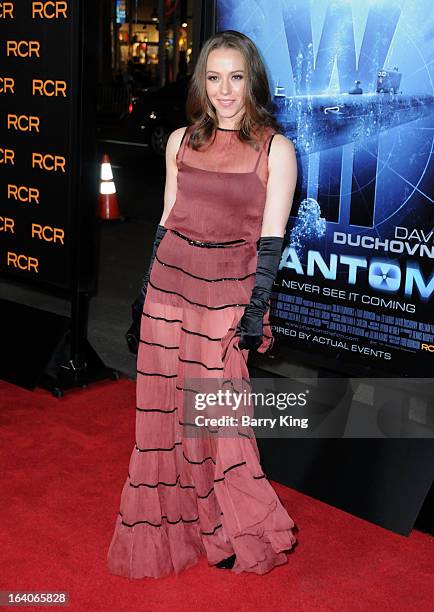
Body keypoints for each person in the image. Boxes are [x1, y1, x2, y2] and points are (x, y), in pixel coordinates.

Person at [108, 30, 298, 579]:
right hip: (170, 290)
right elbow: (168, 219)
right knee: (165, 415)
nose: (225, 90)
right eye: (214, 78)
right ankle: (183, 523)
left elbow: (271, 239)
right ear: (202, 83)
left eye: (236, 77)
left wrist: (255, 310)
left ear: (252, 80)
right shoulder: (180, 142)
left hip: (226, 299)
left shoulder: (274, 149)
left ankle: (227, 526)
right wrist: (144, 294)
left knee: (219, 420)